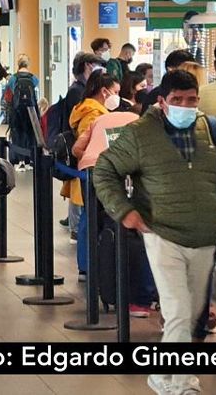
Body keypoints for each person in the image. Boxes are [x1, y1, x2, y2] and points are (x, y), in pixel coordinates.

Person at [92, 68, 216, 395]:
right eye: (177, 100)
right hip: (161, 233)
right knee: (176, 310)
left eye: (191, 100)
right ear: (162, 101)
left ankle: (163, 375)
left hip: (203, 234)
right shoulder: (140, 134)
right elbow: (104, 171)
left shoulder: (214, 131)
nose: (186, 106)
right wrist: (125, 212)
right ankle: (180, 384)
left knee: (190, 313)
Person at [72, 84, 151, 318]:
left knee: (93, 223)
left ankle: (91, 274)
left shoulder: (98, 119)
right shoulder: (138, 122)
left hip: (91, 172)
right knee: (122, 229)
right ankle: (131, 296)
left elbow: (77, 149)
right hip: (120, 176)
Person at [67, 70, 121, 277]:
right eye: (115, 91)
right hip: (95, 169)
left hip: (87, 169)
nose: (118, 95)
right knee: (91, 218)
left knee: (87, 218)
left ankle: (87, 265)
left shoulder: (85, 108)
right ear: (104, 92)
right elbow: (91, 143)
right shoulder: (94, 113)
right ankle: (88, 266)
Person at [1, 54, 43, 163]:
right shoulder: (34, 78)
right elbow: (36, 95)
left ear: (18, 64)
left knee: (17, 133)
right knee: (30, 133)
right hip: (31, 110)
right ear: (27, 64)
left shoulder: (13, 79)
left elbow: (8, 96)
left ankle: (17, 158)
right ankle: (30, 158)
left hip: (17, 110)